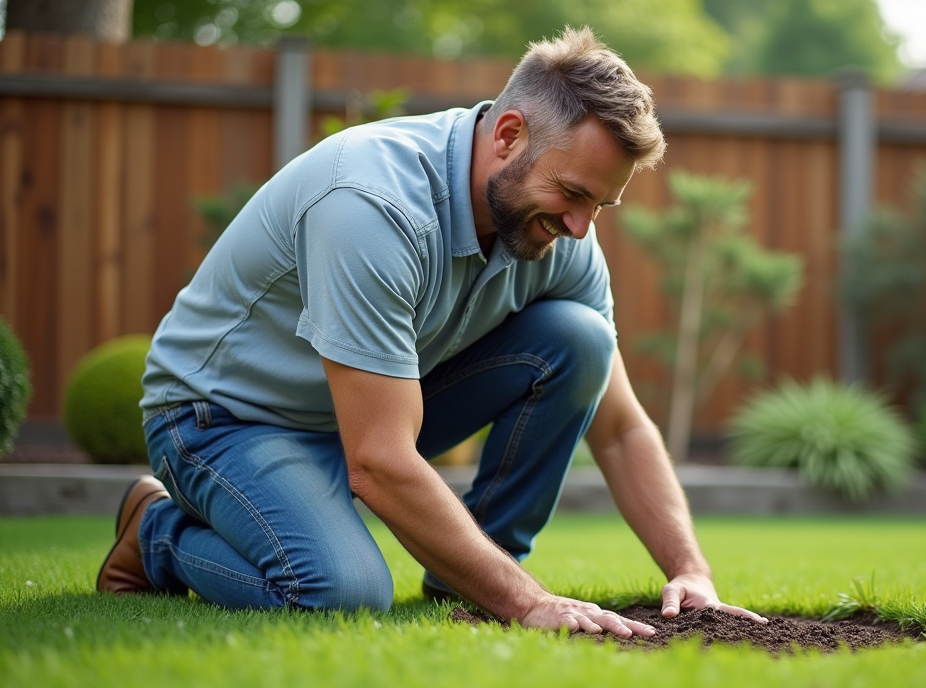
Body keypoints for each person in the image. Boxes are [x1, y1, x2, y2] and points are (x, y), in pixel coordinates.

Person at [97, 27, 766, 638]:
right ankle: (156, 532)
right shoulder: (372, 205)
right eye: (572, 193)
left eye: (601, 204)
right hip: (222, 420)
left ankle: (472, 574)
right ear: (507, 136)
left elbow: (620, 428)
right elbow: (380, 462)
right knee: (340, 592)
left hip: (355, 414)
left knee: (580, 337)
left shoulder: (556, 235)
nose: (581, 227)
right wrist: (529, 601)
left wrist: (690, 569)